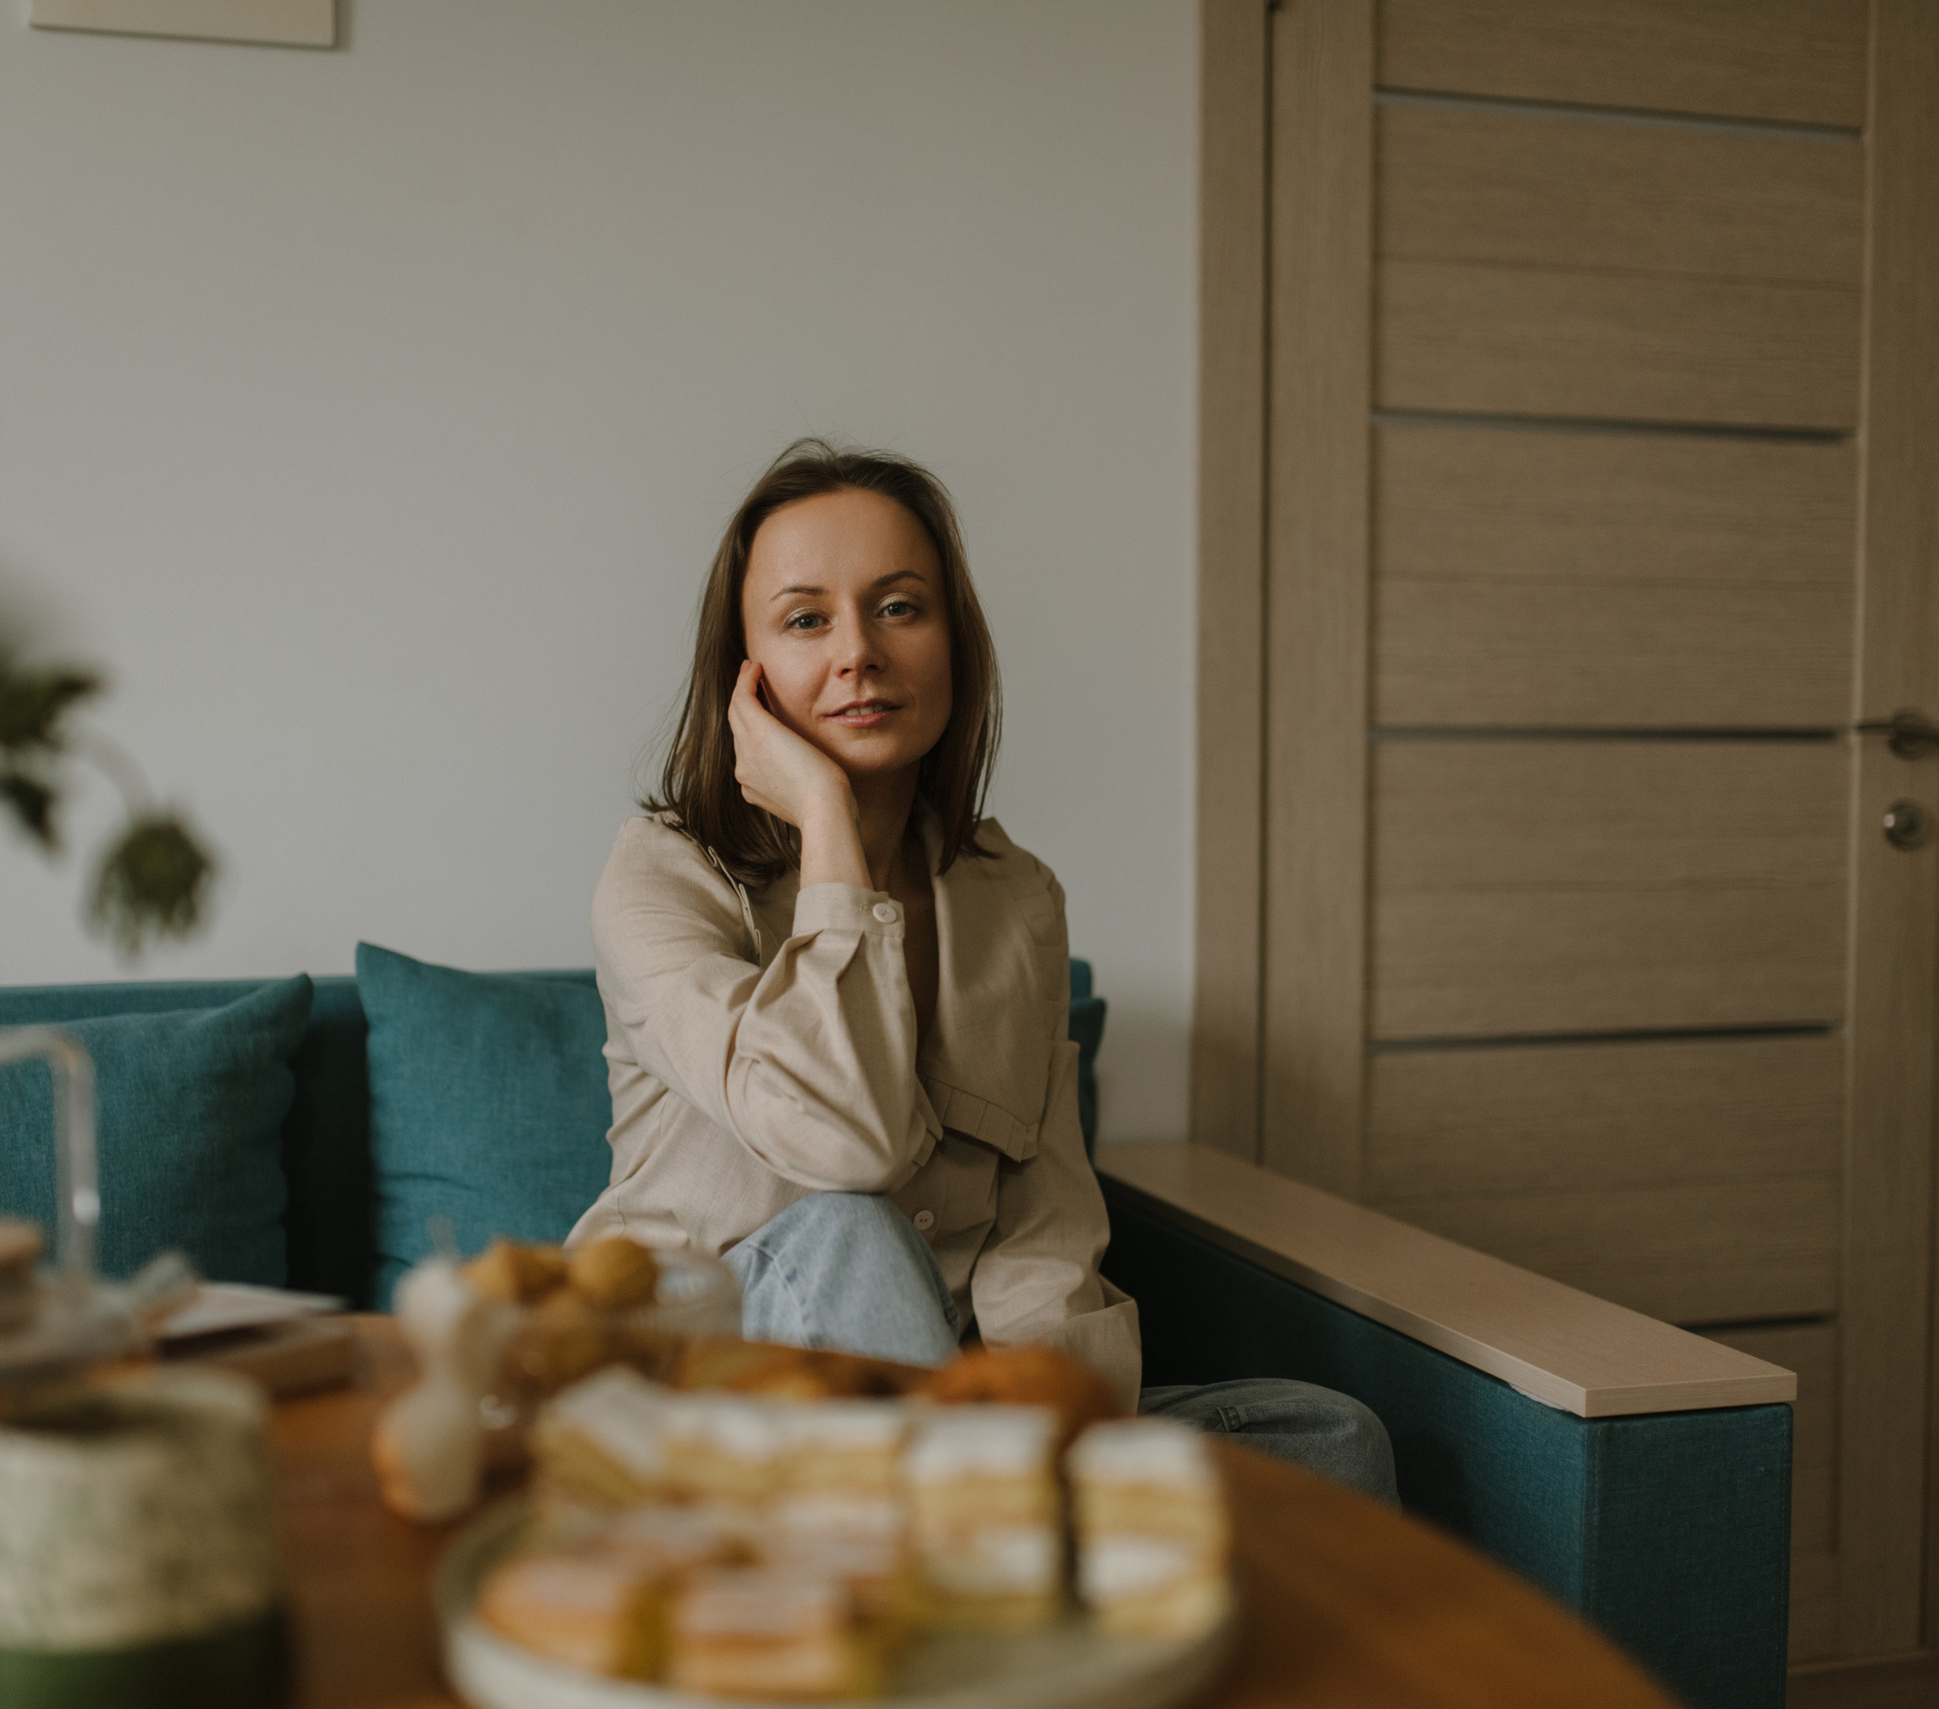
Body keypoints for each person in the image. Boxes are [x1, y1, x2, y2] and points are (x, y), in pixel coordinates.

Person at [568, 439, 1396, 1504]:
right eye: (807, 618)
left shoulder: (1015, 899)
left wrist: (1063, 1431)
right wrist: (825, 818)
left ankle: (1002, 1529)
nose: (858, 652)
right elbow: (845, 1145)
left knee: (1329, 1436)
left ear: (954, 639)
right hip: (720, 1400)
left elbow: (1043, 1225)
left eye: (899, 606)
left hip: (949, 1399)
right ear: (746, 671)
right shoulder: (661, 877)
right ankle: (987, 1565)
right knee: (849, 1234)